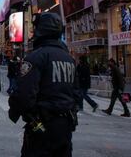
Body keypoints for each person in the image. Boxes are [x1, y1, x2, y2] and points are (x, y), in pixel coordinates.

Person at [9, 12, 81, 157]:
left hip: (41, 126)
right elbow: (77, 94)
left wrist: (20, 111)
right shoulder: (69, 59)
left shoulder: (36, 57)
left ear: (41, 30)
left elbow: (24, 95)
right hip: (65, 126)